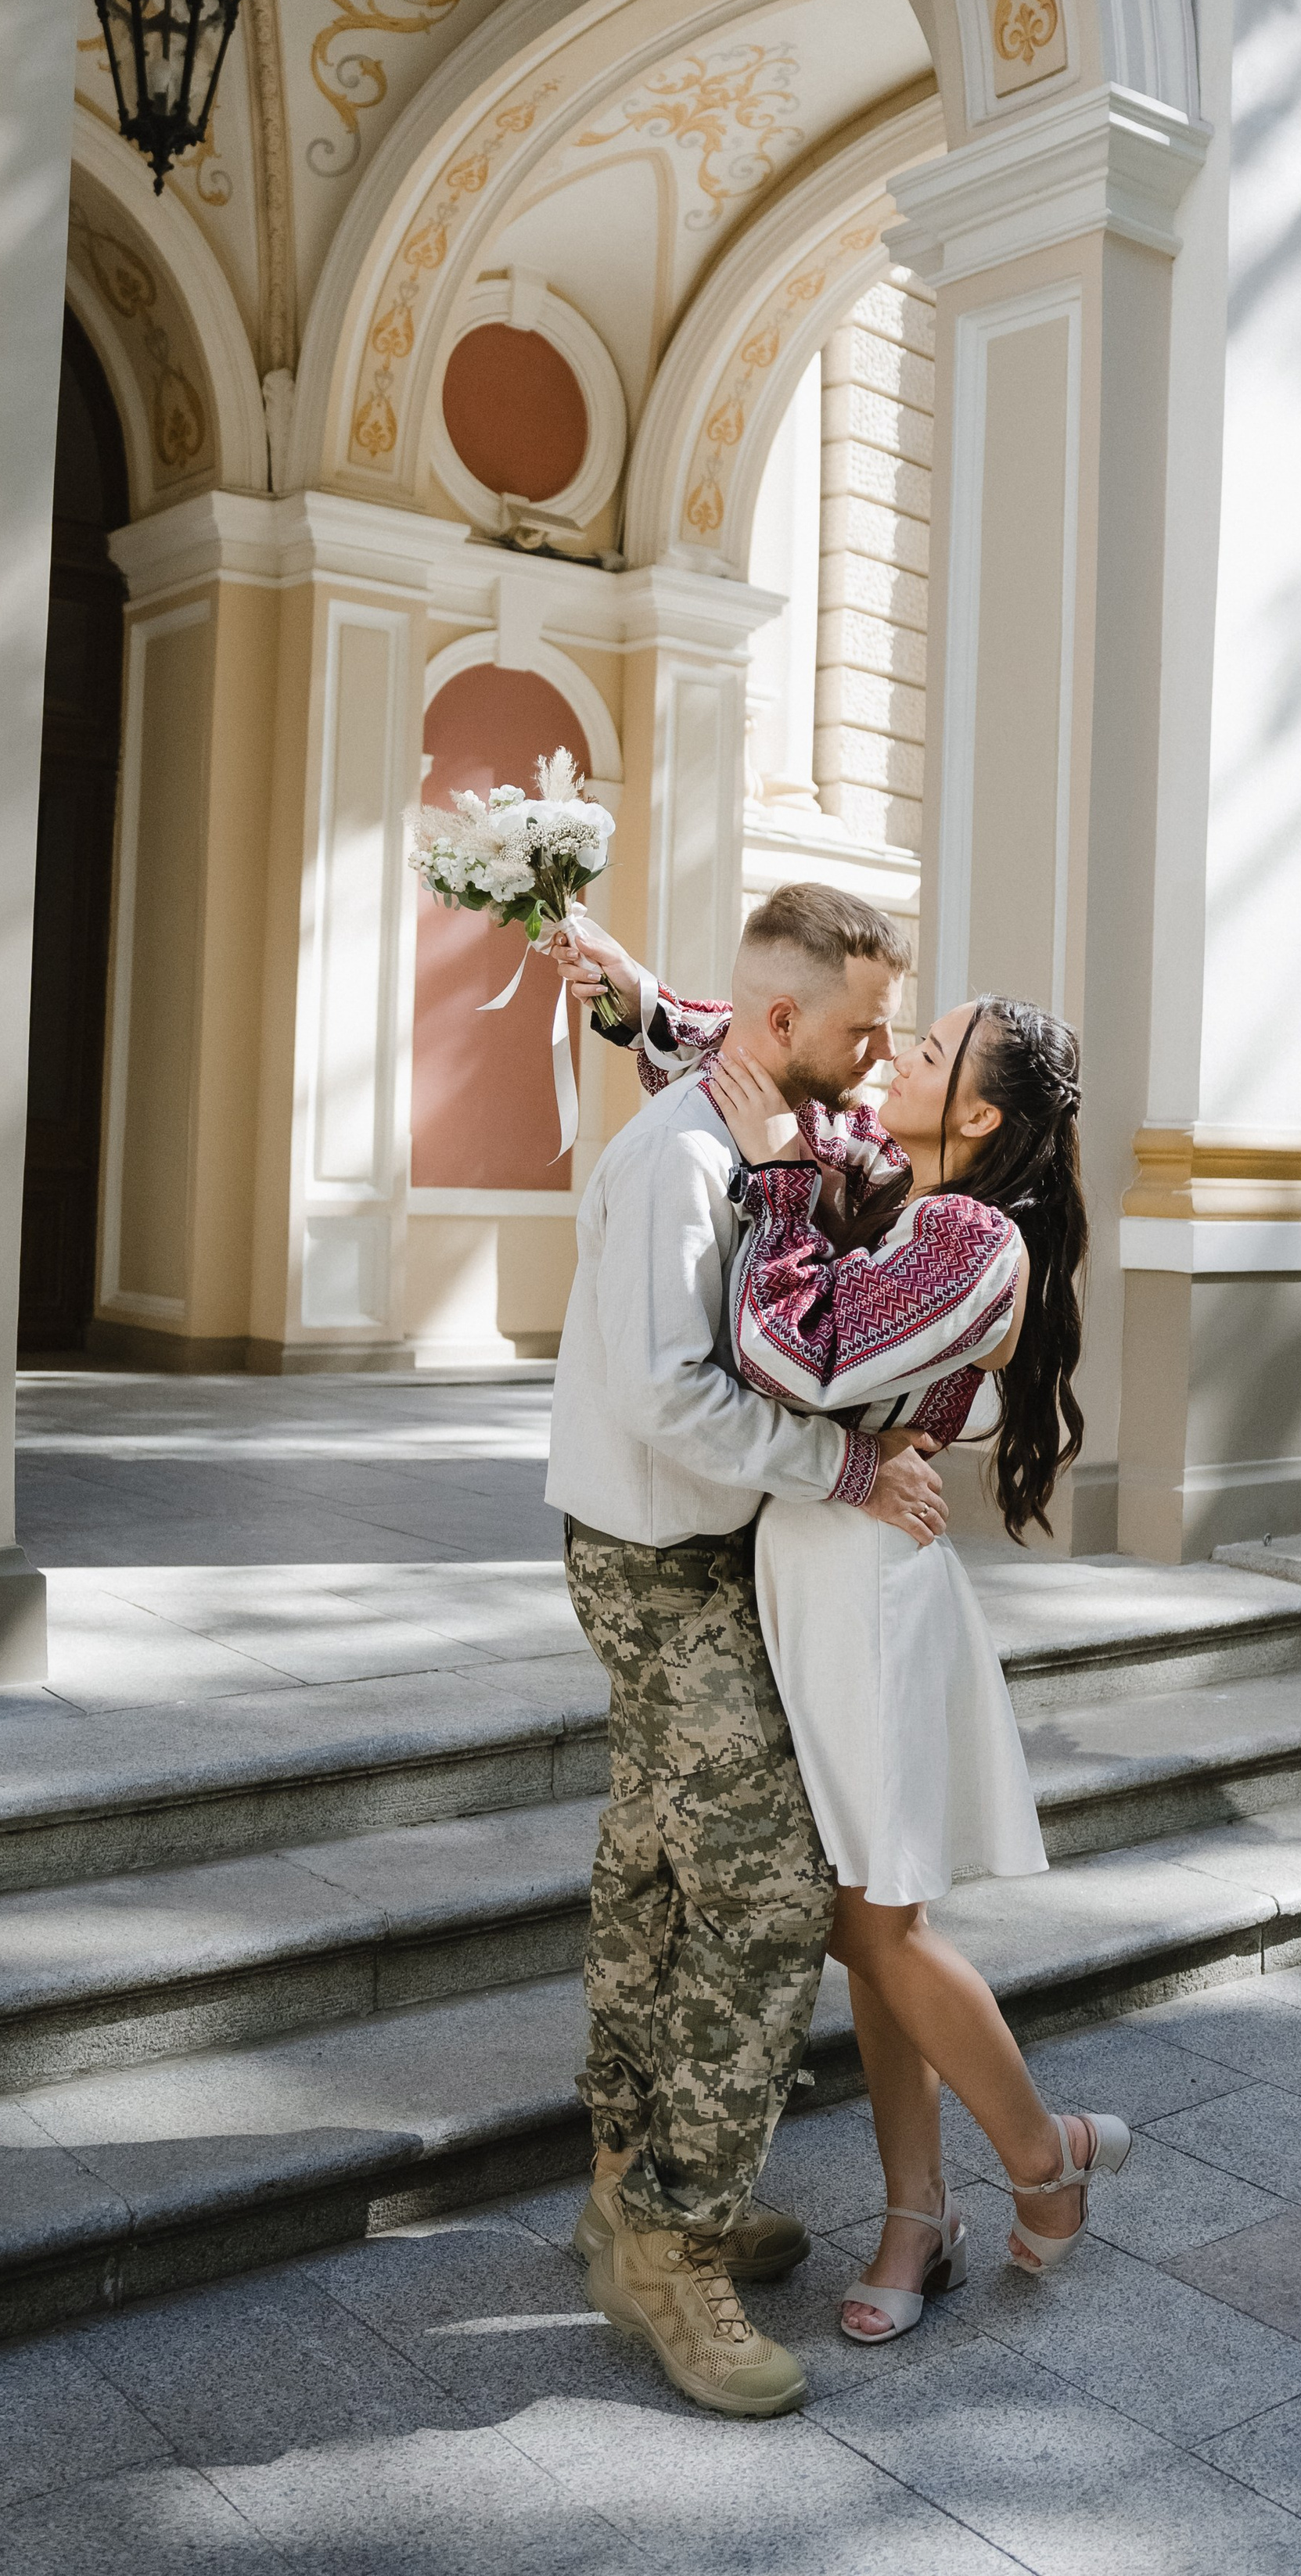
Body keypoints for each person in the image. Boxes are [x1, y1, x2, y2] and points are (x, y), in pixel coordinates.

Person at [555, 911, 1130, 2353]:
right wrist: (639, 1000)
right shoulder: (879, 1165)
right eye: (886, 1032)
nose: (890, 1059)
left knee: (869, 1918)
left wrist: (770, 1177)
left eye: (923, 1048)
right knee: (868, 1913)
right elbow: (770, 1049)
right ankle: (915, 2211)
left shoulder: (970, 1237)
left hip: (865, 1582)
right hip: (802, 1563)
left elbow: (796, 1353)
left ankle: (1040, 2161)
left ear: (978, 1111)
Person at [543, 883, 949, 2421]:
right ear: (788, 1023)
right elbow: (665, 1397)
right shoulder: (687, 1158)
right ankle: (673, 2241)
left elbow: (730, 1041)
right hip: (659, 1563)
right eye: (861, 1029)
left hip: (700, 1555)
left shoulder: (756, 1120)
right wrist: (847, 1468)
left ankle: (621, 2183)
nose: (877, 1053)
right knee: (772, 1893)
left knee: (656, 1865)